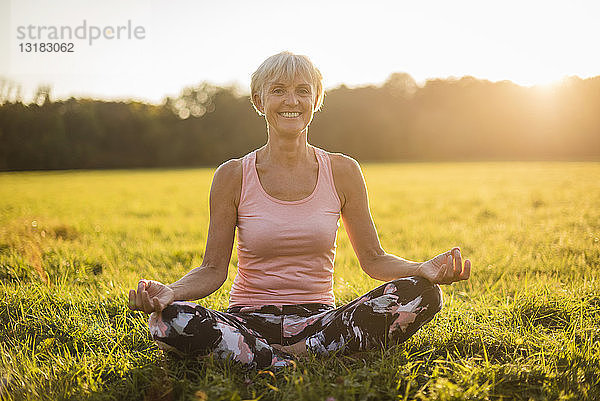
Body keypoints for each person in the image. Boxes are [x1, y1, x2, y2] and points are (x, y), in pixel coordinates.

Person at [128, 51, 471, 369]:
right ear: (258, 101)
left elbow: (374, 259)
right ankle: (301, 354)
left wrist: (421, 268)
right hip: (247, 319)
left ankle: (267, 357)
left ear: (316, 100)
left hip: (319, 320)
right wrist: (172, 292)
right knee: (168, 319)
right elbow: (212, 269)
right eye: (278, 90)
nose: (291, 101)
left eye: (303, 91)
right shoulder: (232, 175)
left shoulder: (343, 171)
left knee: (424, 294)